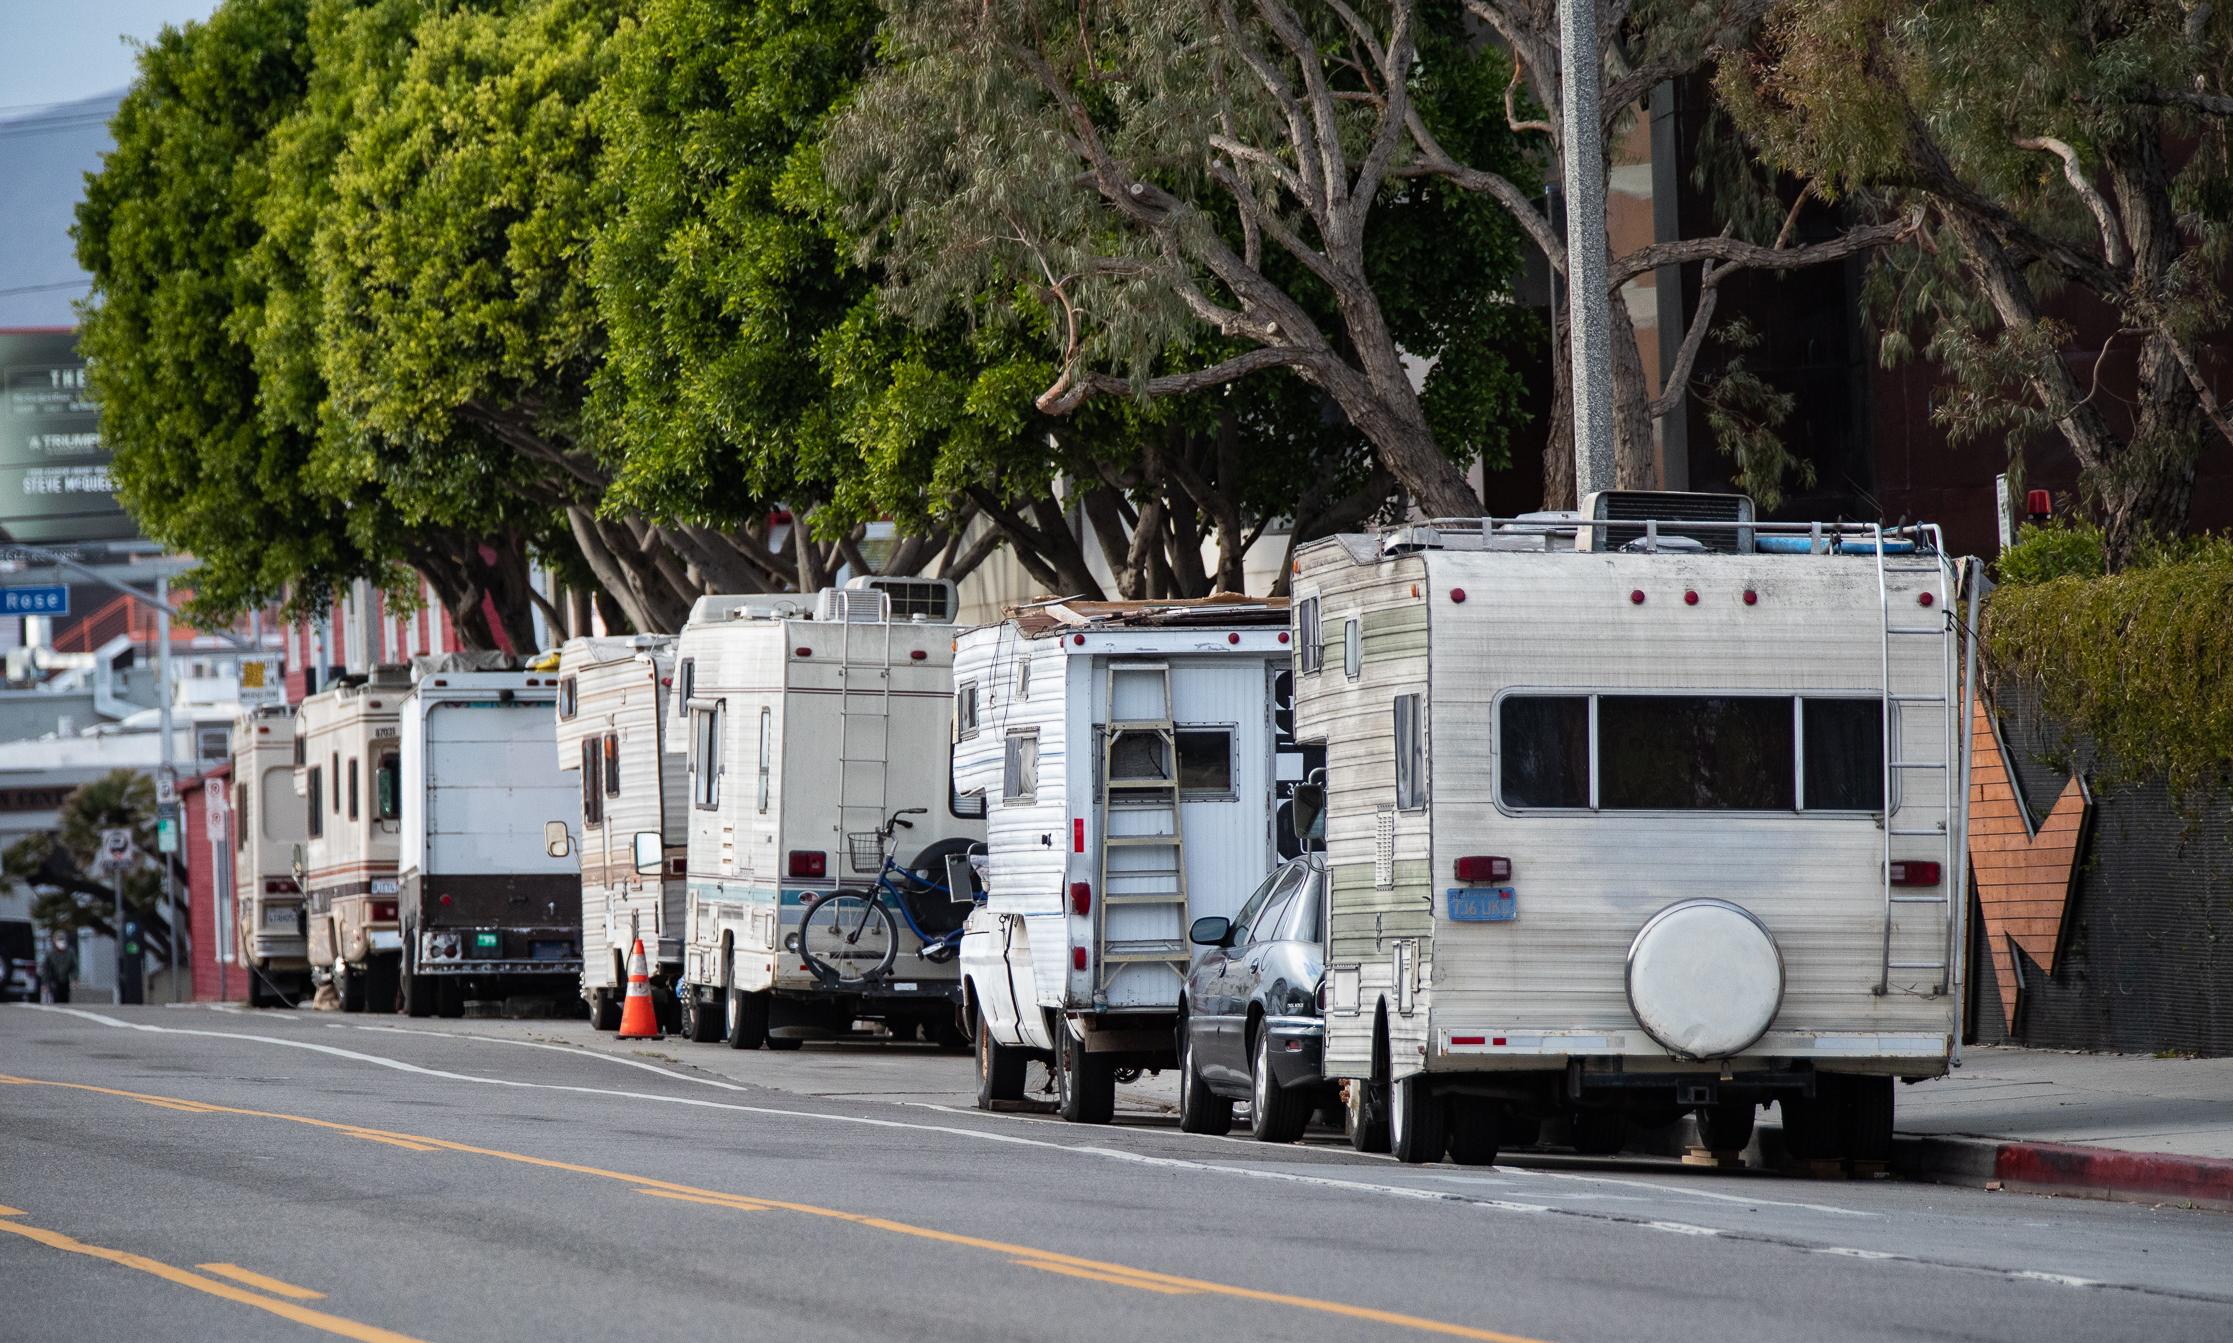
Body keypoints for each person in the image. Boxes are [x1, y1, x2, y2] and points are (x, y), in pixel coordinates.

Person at [38, 930, 74, 1005]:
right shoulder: (51, 953)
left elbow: (73, 966)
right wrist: (45, 983)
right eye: (59, 939)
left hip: (65, 979)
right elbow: (45, 968)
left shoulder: (70, 953)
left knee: (65, 997)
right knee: (56, 997)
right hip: (54, 980)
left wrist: (74, 977)